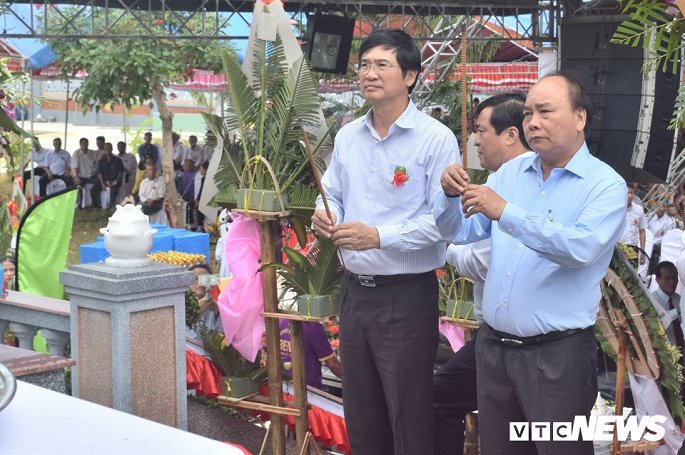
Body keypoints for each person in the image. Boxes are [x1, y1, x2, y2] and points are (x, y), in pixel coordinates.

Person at [435, 71, 626, 455]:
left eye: (545, 111)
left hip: (556, 356)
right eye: (527, 114)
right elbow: (462, 232)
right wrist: (448, 198)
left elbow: (581, 249)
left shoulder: (605, 185)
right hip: (494, 349)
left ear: (579, 118)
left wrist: (506, 213)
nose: (533, 122)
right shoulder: (509, 174)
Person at [311, 28, 458, 455]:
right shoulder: (347, 136)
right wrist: (326, 214)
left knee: (409, 412)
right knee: (362, 410)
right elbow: (334, 191)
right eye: (364, 65)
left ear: (410, 75)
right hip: (355, 294)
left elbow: (442, 224)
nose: (369, 73)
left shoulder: (435, 138)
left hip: (407, 296)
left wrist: (378, 236)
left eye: (382, 65)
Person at [433, 92, 532, 455]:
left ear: (510, 135)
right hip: (495, 337)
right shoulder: (496, 181)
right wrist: (446, 196)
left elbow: (494, 260)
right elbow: (461, 232)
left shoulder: (529, 184)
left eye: (480, 130)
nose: (475, 140)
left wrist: (449, 252)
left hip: (532, 342)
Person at [279, 320, 342, 389]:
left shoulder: (283, 321)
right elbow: (333, 364)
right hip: (308, 390)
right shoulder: (313, 326)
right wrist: (350, 378)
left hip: (285, 386)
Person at [651, 261, 684, 350]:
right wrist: (677, 310)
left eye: (674, 278)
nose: (672, 282)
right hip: (664, 355)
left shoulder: (678, 298)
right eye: (667, 278)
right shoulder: (651, 301)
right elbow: (657, 324)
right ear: (657, 280)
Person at [187, 263, 223, 339]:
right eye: (195, 279)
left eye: (205, 278)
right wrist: (195, 313)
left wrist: (218, 311)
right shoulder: (181, 306)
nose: (200, 283)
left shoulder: (217, 306)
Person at [620, 185, 647, 268]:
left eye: (632, 193)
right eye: (627, 193)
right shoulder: (617, 207)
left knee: (632, 275)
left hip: (632, 248)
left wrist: (642, 251)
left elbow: (642, 231)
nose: (630, 195)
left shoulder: (639, 210)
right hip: (618, 246)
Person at [71, 137, 103, 208]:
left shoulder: (93, 153)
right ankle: (80, 204)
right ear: (80, 144)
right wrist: (76, 177)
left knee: (99, 184)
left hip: (93, 176)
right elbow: (74, 167)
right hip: (81, 176)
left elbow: (103, 153)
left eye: (86, 143)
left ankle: (95, 204)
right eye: (83, 143)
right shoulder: (76, 153)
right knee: (77, 185)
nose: (85, 145)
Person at [96, 142, 124, 209]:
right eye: (106, 148)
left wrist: (116, 180)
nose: (107, 150)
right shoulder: (101, 161)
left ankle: (111, 206)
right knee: (93, 189)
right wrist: (103, 183)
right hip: (104, 181)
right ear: (104, 150)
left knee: (113, 189)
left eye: (109, 148)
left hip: (115, 181)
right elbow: (99, 173)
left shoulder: (117, 160)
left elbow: (120, 172)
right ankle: (96, 206)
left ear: (112, 149)